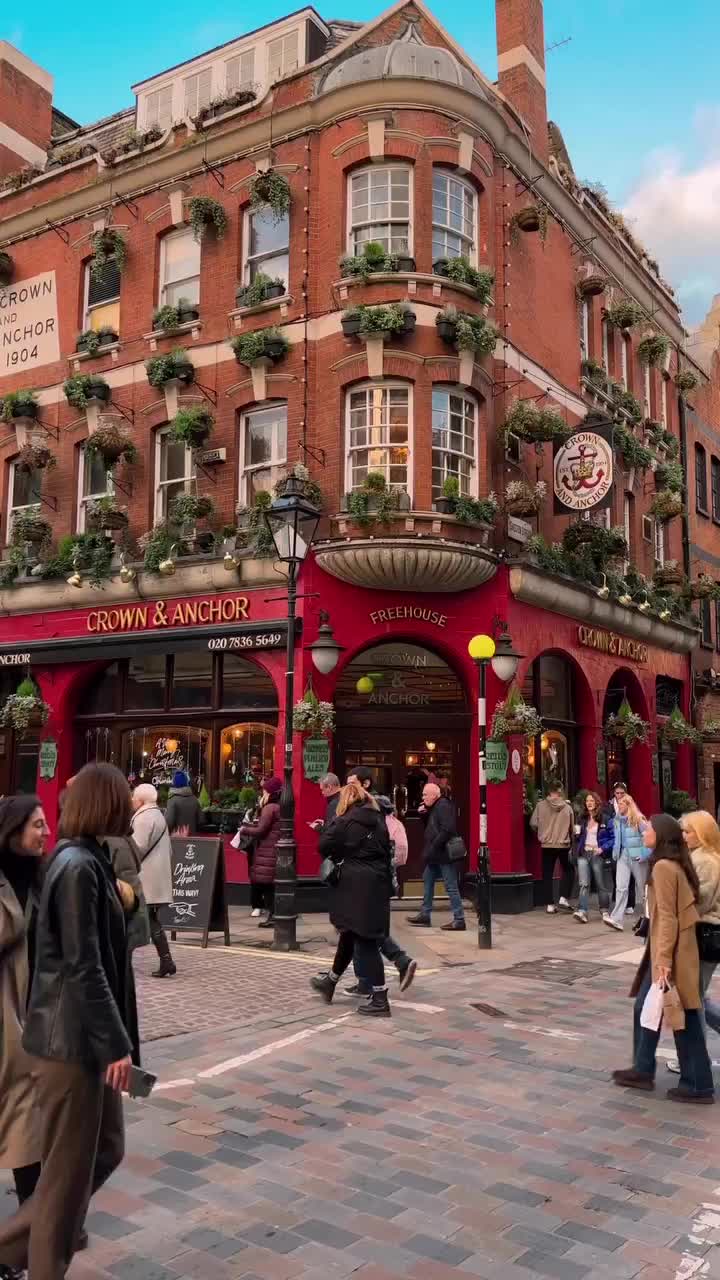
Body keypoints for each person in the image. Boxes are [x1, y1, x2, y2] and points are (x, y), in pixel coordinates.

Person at [0, 763, 134, 1279]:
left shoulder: (89, 860)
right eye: (121, 797)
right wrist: (115, 1045)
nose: (129, 807)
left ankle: (9, 1250)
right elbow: (83, 964)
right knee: (65, 1179)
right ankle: (42, 1264)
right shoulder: (76, 866)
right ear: (107, 803)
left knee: (106, 1150)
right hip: (70, 1043)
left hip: (82, 1038)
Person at [613, 813, 714, 1103]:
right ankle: (643, 1068)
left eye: (649, 829)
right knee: (645, 1007)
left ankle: (698, 1084)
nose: (644, 832)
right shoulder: (670, 864)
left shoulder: (665, 869)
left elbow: (668, 918)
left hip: (674, 951)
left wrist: (664, 962)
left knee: (685, 1015)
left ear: (660, 835)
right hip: (665, 948)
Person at [0, 798, 49, 1221]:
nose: (45, 832)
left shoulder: (40, 878)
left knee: (26, 1125)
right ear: (12, 830)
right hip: (6, 1017)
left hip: (29, 1017)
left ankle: (25, 1238)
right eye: (37, 824)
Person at [310, 782, 393, 1016]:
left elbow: (323, 846)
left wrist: (341, 851)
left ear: (345, 800)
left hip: (354, 887)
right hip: (377, 884)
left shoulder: (344, 821)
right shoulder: (379, 820)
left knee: (365, 941)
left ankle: (380, 998)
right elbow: (385, 850)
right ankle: (331, 982)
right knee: (349, 934)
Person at [345, 767, 416, 990]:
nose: (348, 788)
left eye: (352, 783)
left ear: (365, 785)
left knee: (363, 932)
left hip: (364, 883)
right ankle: (367, 980)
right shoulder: (389, 822)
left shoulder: (365, 815)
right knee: (366, 931)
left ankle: (380, 981)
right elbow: (401, 852)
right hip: (381, 881)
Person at [665, 810, 720, 1073]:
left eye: (687, 831)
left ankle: (696, 1060)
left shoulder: (706, 861)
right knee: (696, 995)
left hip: (703, 934)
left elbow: (701, 901)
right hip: (697, 932)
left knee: (692, 999)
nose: (683, 836)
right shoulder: (696, 858)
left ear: (701, 833)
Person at [104, 828, 149, 1065]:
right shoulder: (124, 838)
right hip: (131, 921)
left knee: (119, 987)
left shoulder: (114, 843)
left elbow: (125, 888)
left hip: (126, 923)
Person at [130, 784, 176, 978]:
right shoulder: (158, 815)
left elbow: (136, 848)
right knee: (149, 919)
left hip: (145, 877)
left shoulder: (143, 818)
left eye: (134, 797)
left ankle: (166, 961)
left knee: (140, 918)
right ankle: (166, 961)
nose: (132, 799)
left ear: (141, 800)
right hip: (156, 876)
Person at [407, 782, 465, 931]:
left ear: (435, 795)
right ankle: (425, 915)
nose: (423, 797)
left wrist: (433, 847)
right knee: (427, 879)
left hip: (443, 854)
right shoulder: (435, 807)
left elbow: (447, 829)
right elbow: (432, 827)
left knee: (450, 885)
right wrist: (423, 814)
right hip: (436, 854)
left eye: (425, 794)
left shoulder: (443, 805)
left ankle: (459, 919)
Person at [239, 777, 281, 927]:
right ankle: (273, 915)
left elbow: (261, 830)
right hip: (273, 850)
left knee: (266, 885)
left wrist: (245, 829)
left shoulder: (270, 808)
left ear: (269, 792)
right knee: (270, 885)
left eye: (264, 791)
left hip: (267, 851)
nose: (262, 793)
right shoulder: (280, 806)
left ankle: (273, 916)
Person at [605, 794, 649, 931]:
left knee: (643, 889)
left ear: (628, 805)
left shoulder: (638, 819)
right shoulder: (617, 820)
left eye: (622, 804)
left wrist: (643, 855)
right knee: (621, 887)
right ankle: (616, 919)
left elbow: (649, 839)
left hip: (637, 856)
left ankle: (649, 917)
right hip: (622, 855)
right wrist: (615, 852)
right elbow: (617, 839)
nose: (619, 806)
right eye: (618, 803)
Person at [530, 783, 574, 914]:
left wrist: (541, 833)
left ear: (549, 792)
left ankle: (549, 904)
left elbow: (533, 823)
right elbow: (572, 828)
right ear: (560, 792)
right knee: (569, 869)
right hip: (562, 844)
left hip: (547, 845)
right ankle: (563, 897)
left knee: (547, 873)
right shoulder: (567, 807)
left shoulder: (540, 806)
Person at [573, 792, 614, 923]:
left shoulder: (605, 819)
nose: (589, 803)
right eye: (587, 801)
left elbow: (613, 838)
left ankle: (604, 910)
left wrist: (602, 848)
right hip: (584, 853)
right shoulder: (581, 818)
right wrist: (576, 834)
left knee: (600, 883)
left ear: (597, 802)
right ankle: (582, 911)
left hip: (597, 854)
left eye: (591, 801)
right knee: (584, 884)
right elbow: (576, 836)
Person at [164, 771, 203, 835]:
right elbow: (201, 819)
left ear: (174, 782)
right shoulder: (194, 799)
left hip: (177, 837)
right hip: (193, 838)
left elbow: (169, 822)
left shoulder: (172, 800)